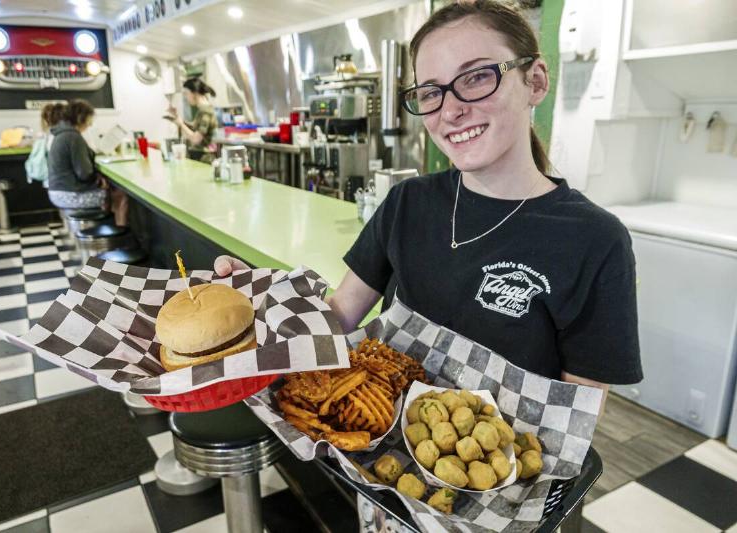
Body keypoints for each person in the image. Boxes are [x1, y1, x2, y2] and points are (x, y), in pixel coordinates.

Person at [214, 1, 642, 405]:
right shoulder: (407, 202)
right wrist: (263, 311)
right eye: (431, 92)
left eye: (477, 77)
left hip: (502, 458)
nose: (450, 110)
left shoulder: (594, 240)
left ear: (536, 81)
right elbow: (339, 316)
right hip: (376, 444)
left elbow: (577, 409)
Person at [47, 99, 128, 225]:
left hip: (58, 191)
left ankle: (105, 226)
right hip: (70, 195)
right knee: (120, 195)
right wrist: (98, 180)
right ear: (81, 118)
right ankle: (119, 231)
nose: (90, 124)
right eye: (90, 119)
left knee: (109, 193)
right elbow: (84, 173)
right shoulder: (73, 137)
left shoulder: (61, 134)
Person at [166, 78, 218, 163]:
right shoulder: (202, 110)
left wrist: (181, 124)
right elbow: (195, 129)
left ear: (195, 93)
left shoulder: (206, 112)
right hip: (200, 156)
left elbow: (196, 139)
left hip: (204, 158)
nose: (186, 98)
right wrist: (176, 116)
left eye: (186, 94)